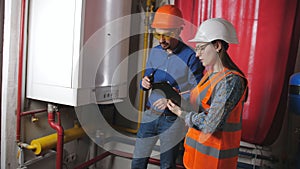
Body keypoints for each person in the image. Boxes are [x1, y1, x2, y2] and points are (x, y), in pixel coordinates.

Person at [167, 18, 248, 169]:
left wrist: (181, 113)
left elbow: (211, 124)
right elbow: (200, 107)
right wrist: (179, 99)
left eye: (201, 48)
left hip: (213, 163)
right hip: (194, 158)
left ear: (217, 46)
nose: (197, 54)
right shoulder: (210, 75)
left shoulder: (231, 81)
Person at [131, 5, 204, 169]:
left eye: (166, 35)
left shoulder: (191, 56)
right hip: (150, 115)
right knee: (137, 161)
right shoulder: (155, 52)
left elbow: (197, 91)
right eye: (158, 34)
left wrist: (171, 100)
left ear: (178, 31)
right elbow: (146, 78)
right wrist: (144, 83)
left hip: (173, 120)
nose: (161, 40)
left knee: (167, 165)